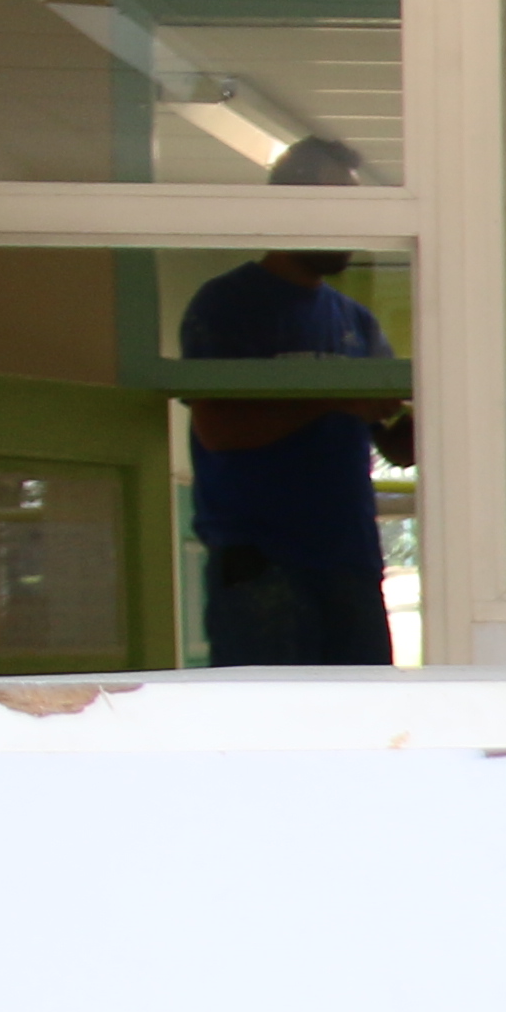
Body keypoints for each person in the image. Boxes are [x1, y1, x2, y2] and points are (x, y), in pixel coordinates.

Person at [174, 135, 411, 667]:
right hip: (262, 564)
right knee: (275, 729)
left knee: (364, 731)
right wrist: (332, 401)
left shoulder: (356, 322)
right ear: (289, 205)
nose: (349, 228)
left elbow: (398, 446)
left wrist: (448, 401)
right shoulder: (229, 306)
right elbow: (219, 429)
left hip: (349, 562)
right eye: (335, 210)